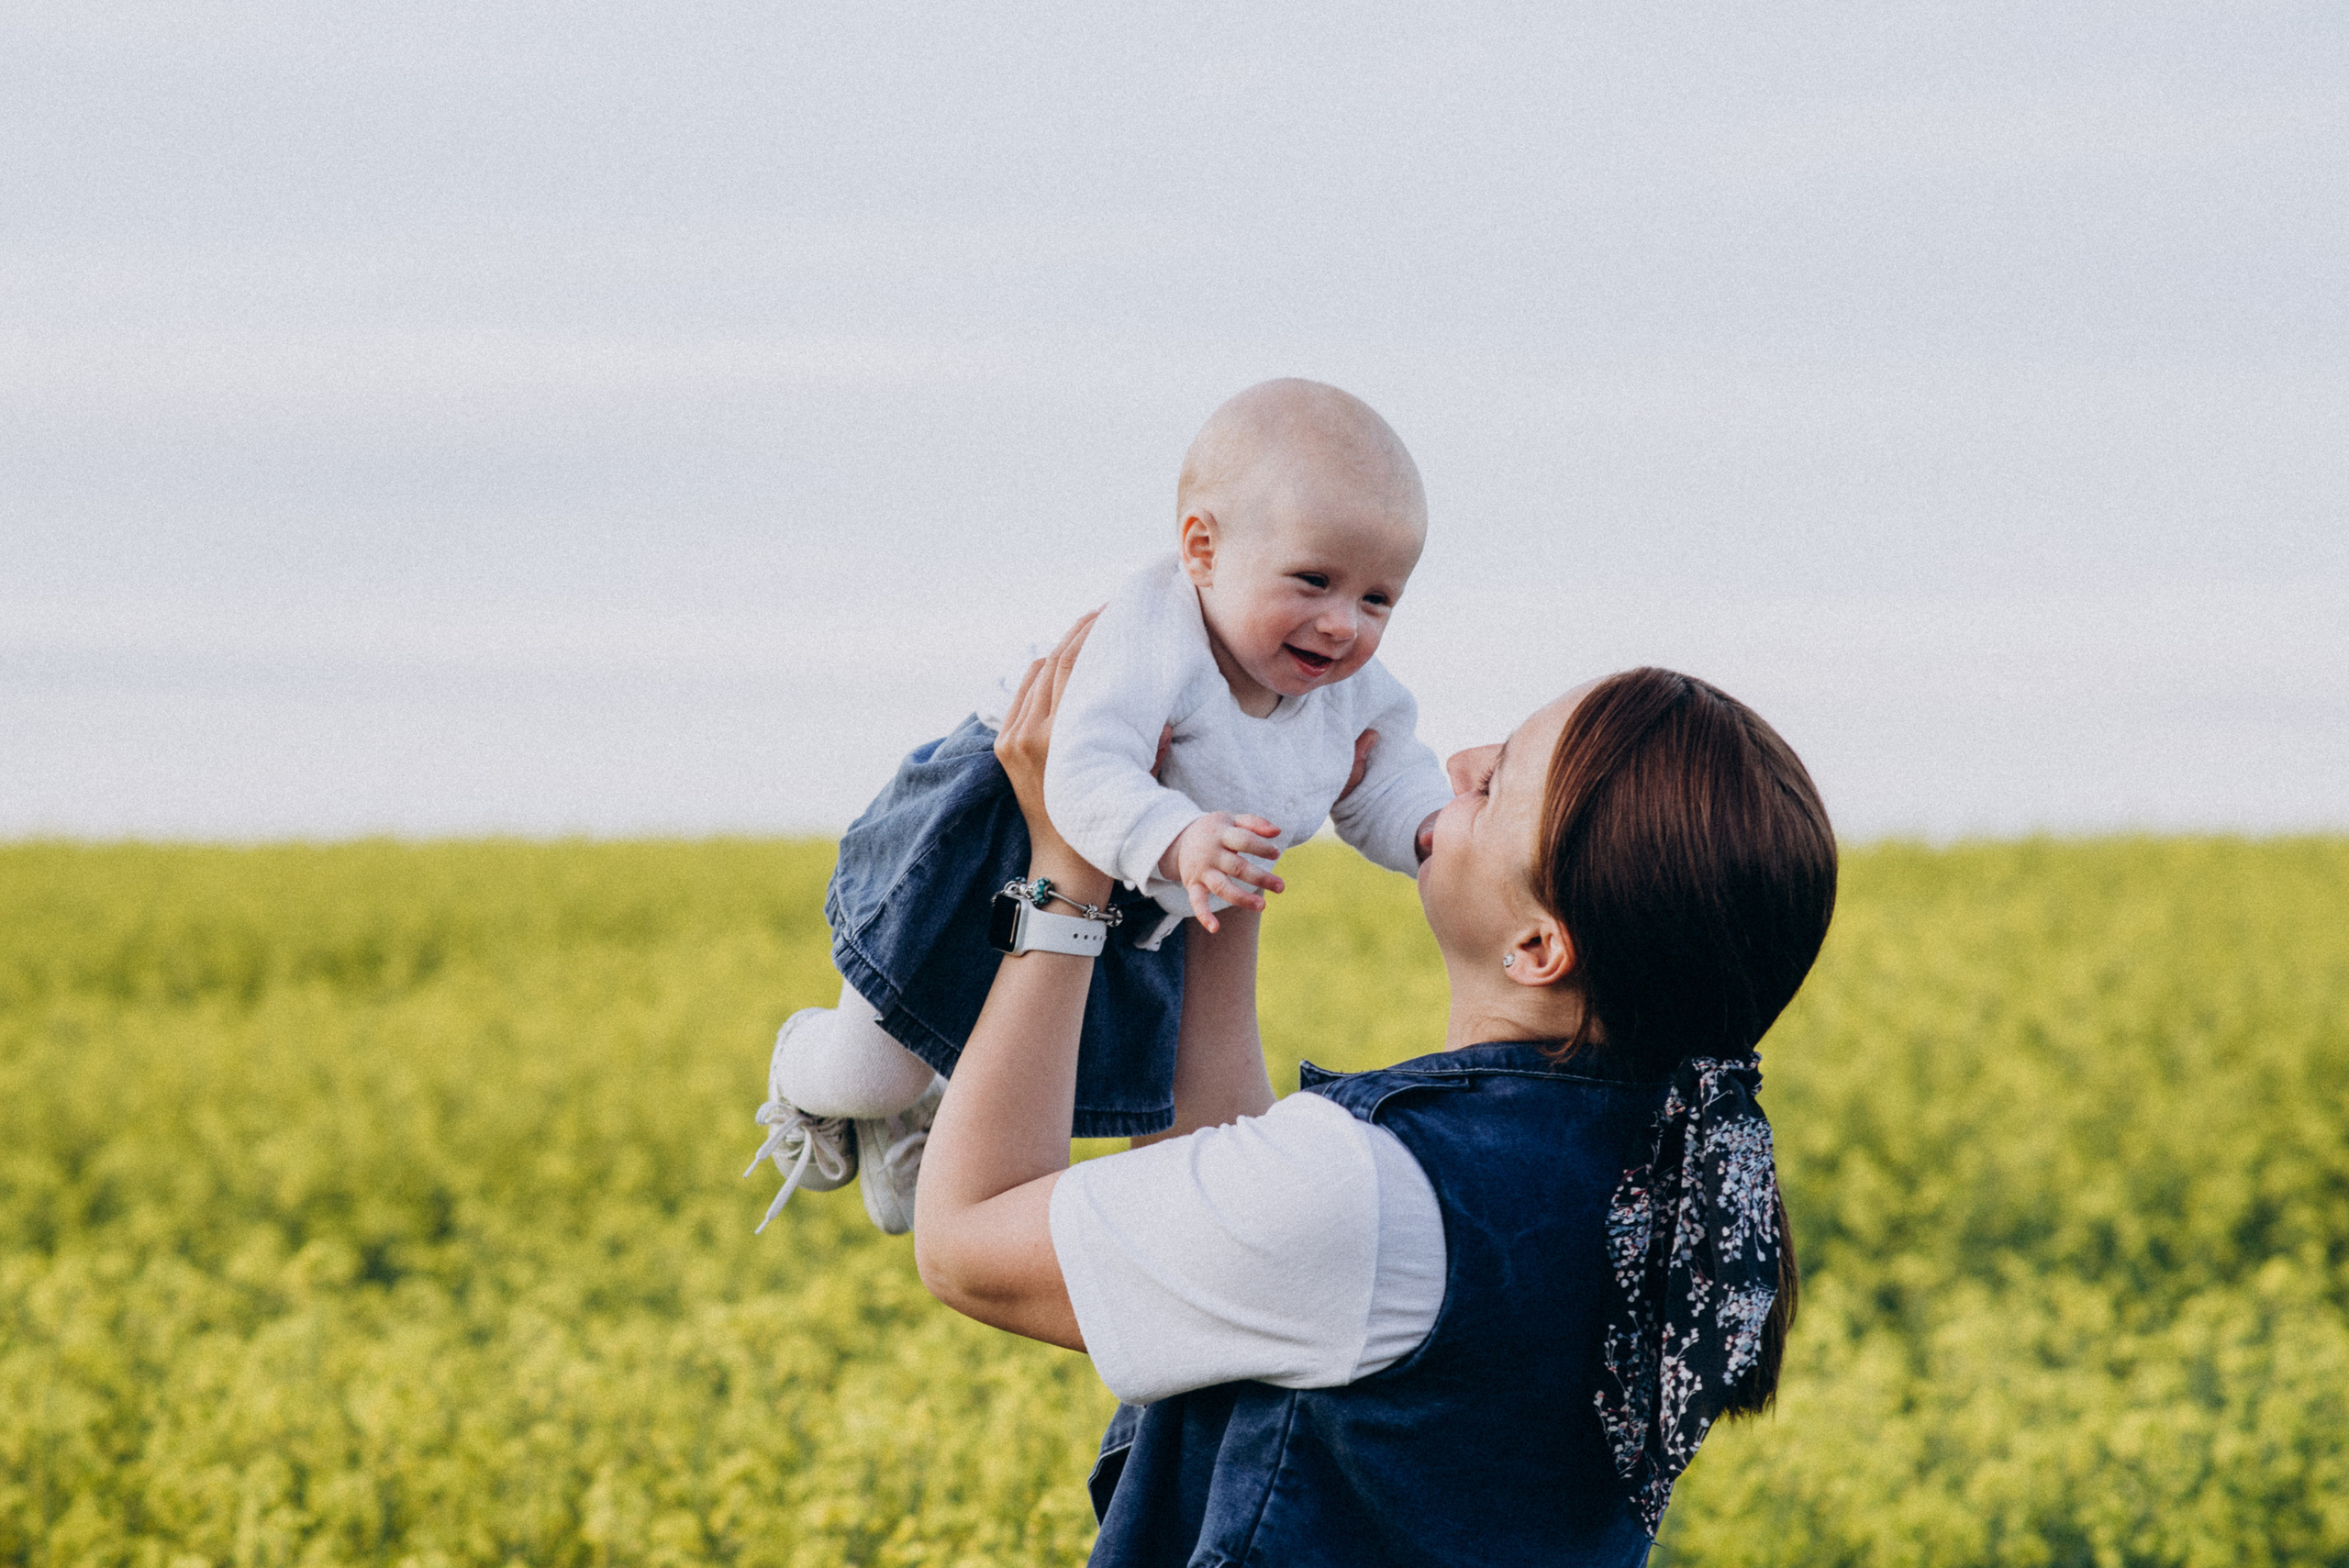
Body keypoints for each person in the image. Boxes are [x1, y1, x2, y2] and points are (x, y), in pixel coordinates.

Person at [914, 623, 1838, 1564]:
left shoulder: (1372, 1193)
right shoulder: (1660, 1174)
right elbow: (1228, 1195)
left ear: (1537, 947)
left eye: (1493, 783)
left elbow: (966, 1243)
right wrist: (1225, 844)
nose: (1462, 759)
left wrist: (1065, 863)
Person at [746, 380, 1454, 1234]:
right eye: (1314, 580)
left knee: (1022, 1109)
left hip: (1142, 877)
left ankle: (926, 1121)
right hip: (999, 833)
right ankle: (804, 1066)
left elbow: (1383, 774)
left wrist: (1430, 829)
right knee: (867, 1074)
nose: (1344, 625)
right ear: (1202, 551)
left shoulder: (1344, 689)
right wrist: (1181, 834)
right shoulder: (1152, 636)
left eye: (1378, 599)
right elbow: (1081, 773)